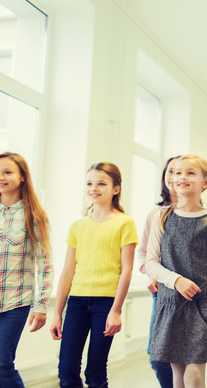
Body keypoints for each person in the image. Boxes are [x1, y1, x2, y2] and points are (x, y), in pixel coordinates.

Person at [145, 155, 207, 388]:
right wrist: (175, 280)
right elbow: (150, 262)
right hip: (171, 304)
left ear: (205, 182)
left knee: (194, 371)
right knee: (177, 374)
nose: (182, 177)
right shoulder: (161, 217)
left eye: (190, 173)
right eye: (178, 172)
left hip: (203, 307)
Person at [50, 162, 138, 388]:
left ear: (115, 189)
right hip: (77, 303)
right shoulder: (77, 227)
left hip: (106, 304)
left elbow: (126, 269)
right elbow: (68, 271)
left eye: (101, 183)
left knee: (95, 371)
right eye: (89, 183)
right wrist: (58, 313)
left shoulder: (125, 222)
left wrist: (116, 310)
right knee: (66, 369)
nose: (94, 188)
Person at [0, 152, 53, 388]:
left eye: (7, 172)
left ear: (22, 177)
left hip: (15, 302)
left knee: (1, 363)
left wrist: (41, 305)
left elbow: (45, 264)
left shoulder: (34, 216)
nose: (1, 177)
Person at [137, 156, 180, 388]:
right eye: (170, 171)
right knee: (157, 355)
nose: (175, 177)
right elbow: (143, 253)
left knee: (184, 357)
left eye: (181, 171)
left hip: (188, 295)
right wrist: (151, 274)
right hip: (161, 293)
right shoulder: (155, 214)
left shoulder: (202, 214)